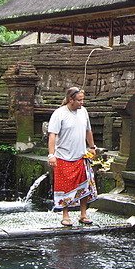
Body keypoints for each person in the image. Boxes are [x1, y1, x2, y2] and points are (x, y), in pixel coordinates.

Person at [47, 86, 98, 226]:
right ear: (71, 100)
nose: (82, 103)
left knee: (85, 186)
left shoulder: (83, 112)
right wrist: (51, 155)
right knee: (65, 186)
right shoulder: (59, 114)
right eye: (79, 100)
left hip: (81, 155)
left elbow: (88, 130)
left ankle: (83, 214)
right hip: (63, 156)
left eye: (83, 100)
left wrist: (92, 146)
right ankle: (65, 214)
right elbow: (52, 135)